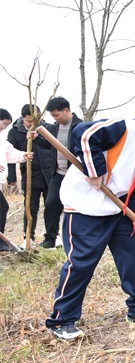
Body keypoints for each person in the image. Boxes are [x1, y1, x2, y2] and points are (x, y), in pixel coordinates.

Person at [45, 103, 135, 341]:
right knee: (80, 263)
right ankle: (62, 319)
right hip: (85, 206)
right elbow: (84, 133)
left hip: (119, 209)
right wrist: (95, 170)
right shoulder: (127, 128)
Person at [27, 97, 83, 249]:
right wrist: (37, 139)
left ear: (66, 110)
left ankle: (76, 238)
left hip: (75, 175)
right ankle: (50, 238)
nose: (55, 118)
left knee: (75, 207)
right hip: (58, 174)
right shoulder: (54, 128)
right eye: (52, 116)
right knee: (51, 204)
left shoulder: (80, 126)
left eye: (56, 115)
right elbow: (50, 145)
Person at [6, 105, 53, 248]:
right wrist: (12, 177)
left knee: (51, 206)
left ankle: (52, 237)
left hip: (49, 173)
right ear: (22, 118)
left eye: (35, 121)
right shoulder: (14, 132)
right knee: (31, 207)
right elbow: (10, 155)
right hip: (30, 174)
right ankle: (28, 237)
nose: (32, 124)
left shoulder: (48, 128)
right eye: (29, 121)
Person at [0, 109, 34, 251]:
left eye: (7, 125)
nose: (4, 127)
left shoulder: (2, 141)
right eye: (3, 124)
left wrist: (23, 155)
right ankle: (0, 242)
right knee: (2, 207)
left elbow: (10, 152)